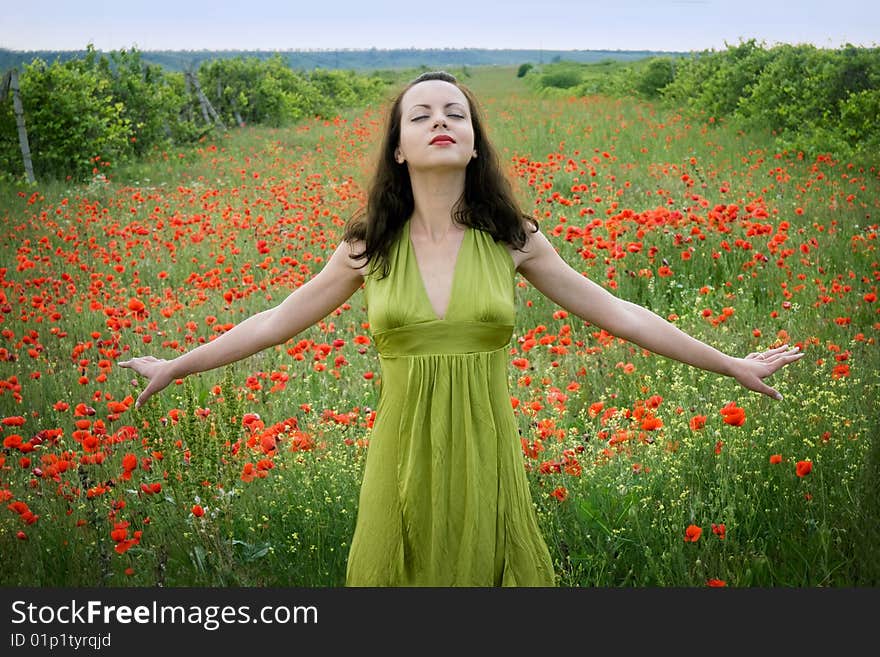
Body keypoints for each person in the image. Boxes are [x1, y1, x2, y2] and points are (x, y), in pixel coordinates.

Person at [119, 71, 804, 587]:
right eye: (420, 115)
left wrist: (731, 362)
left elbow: (622, 313)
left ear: (474, 143)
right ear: (398, 149)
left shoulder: (513, 240)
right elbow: (274, 322)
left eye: (455, 113)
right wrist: (177, 364)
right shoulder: (367, 249)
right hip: (402, 456)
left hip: (487, 451)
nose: (440, 120)